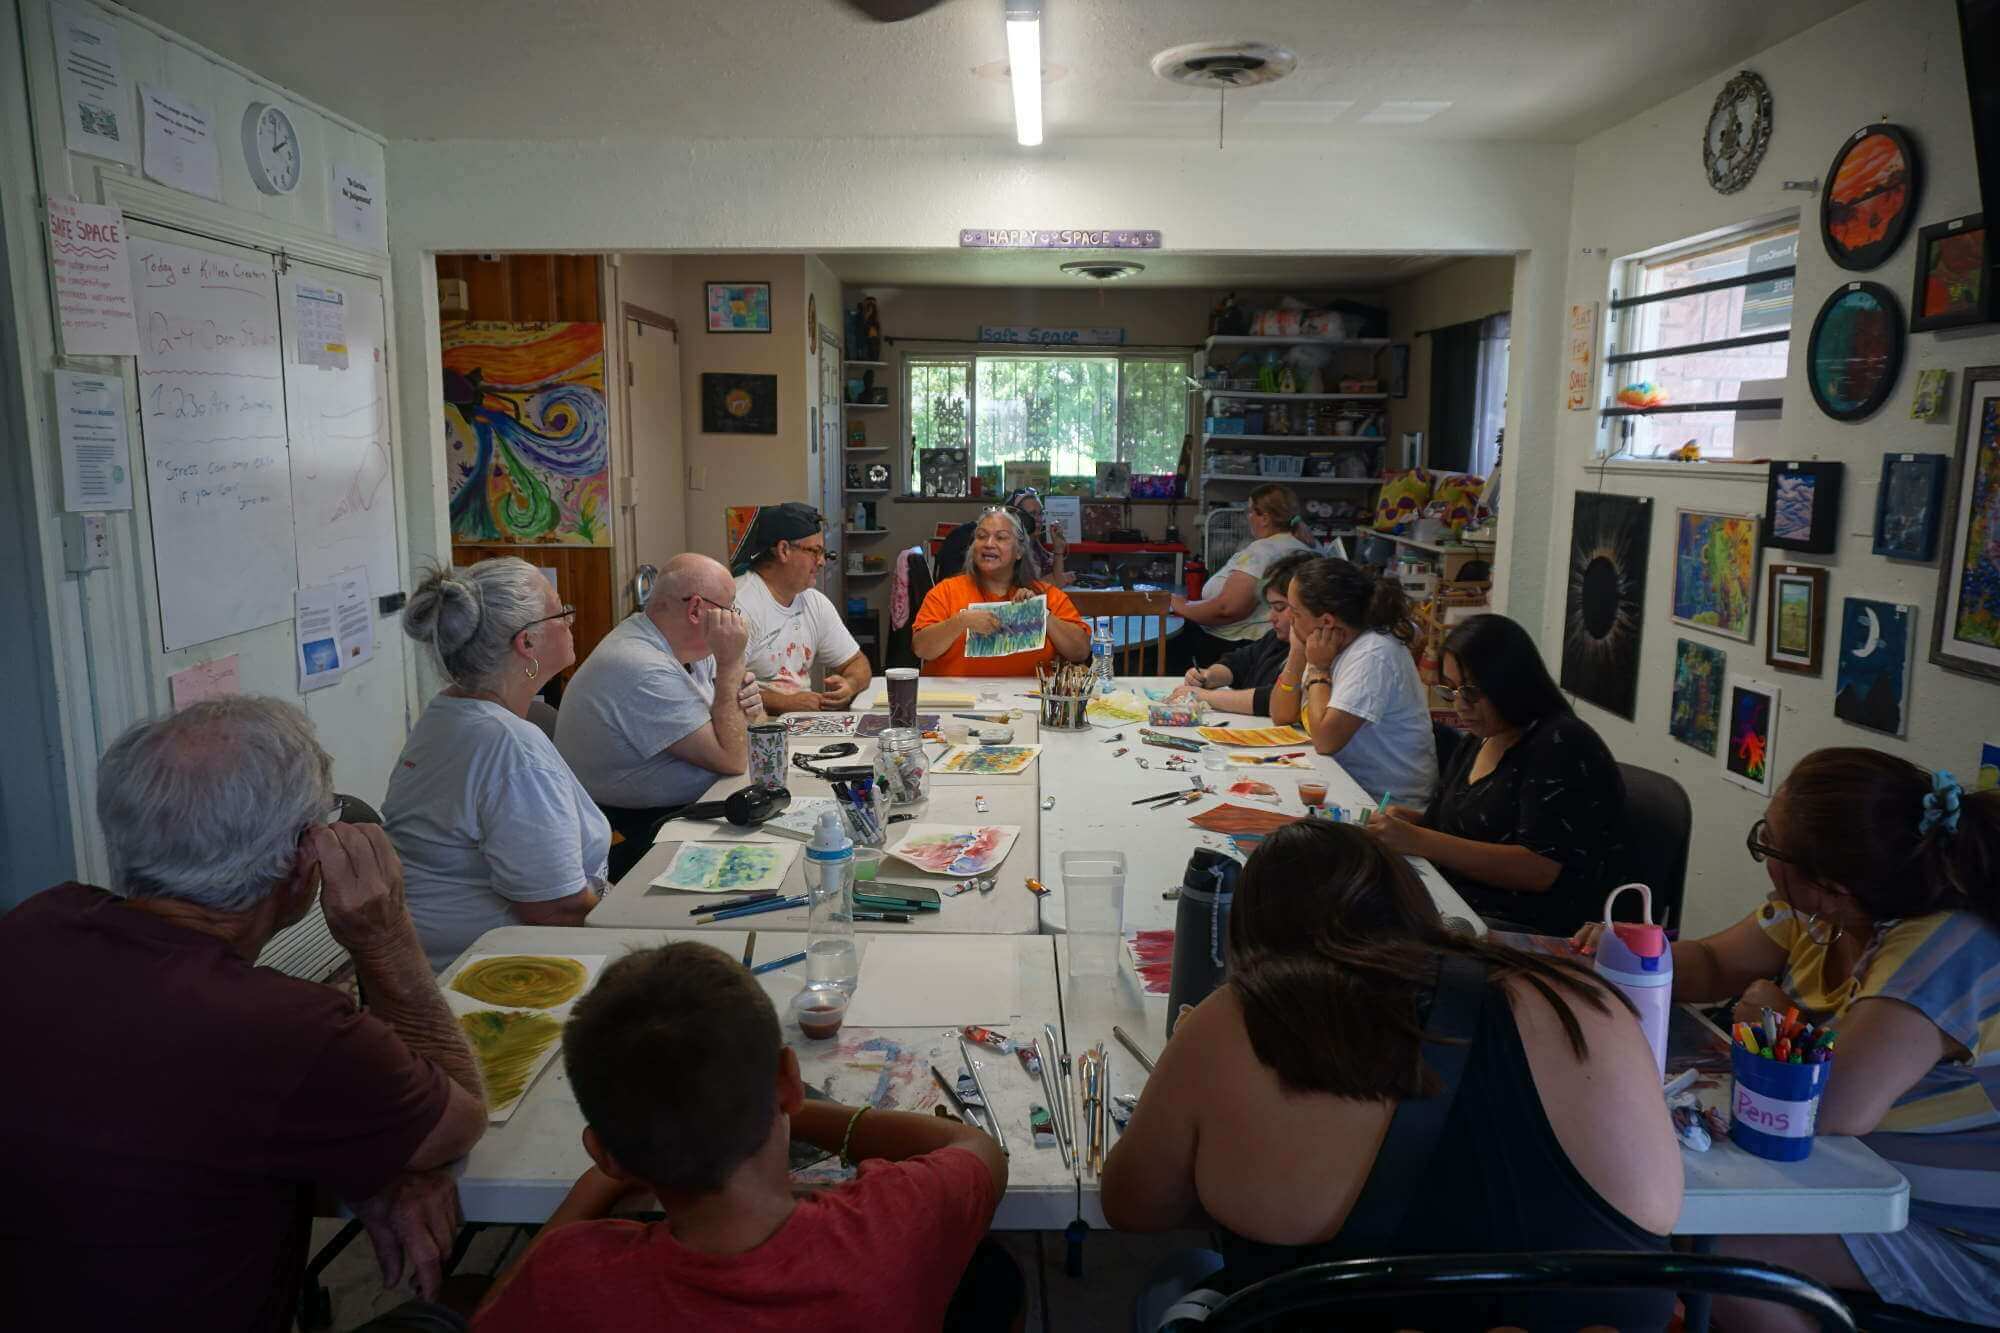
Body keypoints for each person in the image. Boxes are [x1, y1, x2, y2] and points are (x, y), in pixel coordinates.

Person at [0, 699, 488, 1331]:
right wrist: (386, 936)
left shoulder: (38, 921)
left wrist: (365, 1150)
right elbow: (456, 1120)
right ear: (299, 859)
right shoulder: (290, 1028)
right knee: (463, 1305)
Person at [1105, 821, 1681, 1332]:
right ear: (1415, 905)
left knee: (1174, 1288)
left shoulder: (1236, 1022)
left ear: (1251, 941)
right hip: (1601, 1317)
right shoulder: (1587, 1003)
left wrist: (1231, 1180)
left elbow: (1133, 1205)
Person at [1574, 749, 2000, 1330]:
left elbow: (1832, 1106)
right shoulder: (1821, 917)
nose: (1764, 858)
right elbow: (1709, 962)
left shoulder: (1946, 947)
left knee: (1718, 1249)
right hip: (1849, 1182)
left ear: (1831, 884)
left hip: (1959, 1239)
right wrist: (1629, 952)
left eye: (1767, 846)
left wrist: (1774, 1019)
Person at [471, 942, 1013, 1332]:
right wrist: (799, 1110)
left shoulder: (567, 1278)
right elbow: (977, 1149)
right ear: (790, 1080)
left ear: (606, 1152)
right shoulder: (893, 1223)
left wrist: (598, 1181)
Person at [385, 559, 610, 971]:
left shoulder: (446, 711)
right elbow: (556, 911)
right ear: (527, 643)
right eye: (562, 612)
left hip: (436, 961)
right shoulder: (510, 747)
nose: (570, 621)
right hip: (494, 972)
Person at [1365, 613, 1624, 935]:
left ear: (1509, 683)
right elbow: (1475, 828)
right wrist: (1415, 822)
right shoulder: (1484, 735)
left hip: (1522, 925)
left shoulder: (1561, 745)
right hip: (1461, 901)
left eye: (1470, 692)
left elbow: (1538, 868)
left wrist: (1421, 839)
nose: (1460, 705)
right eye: (1451, 691)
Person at [555, 553, 763, 830]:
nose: (735, 619)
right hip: (637, 825)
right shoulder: (638, 665)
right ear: (697, 610)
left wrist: (745, 708)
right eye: (730, 608)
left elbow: (757, 735)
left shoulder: (696, 647)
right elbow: (735, 759)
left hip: (697, 802)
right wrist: (732, 664)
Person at [1272, 557, 1436, 806]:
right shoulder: (1326, 643)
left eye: (1295, 613)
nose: (1291, 621)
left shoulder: (1373, 652)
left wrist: (1318, 669)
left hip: (1385, 804)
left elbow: (1326, 740)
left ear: (1326, 621)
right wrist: (1297, 652)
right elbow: (1282, 715)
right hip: (1343, 780)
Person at [729, 502, 873, 715]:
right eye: (814, 551)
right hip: (758, 729)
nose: (822, 561)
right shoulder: (740, 605)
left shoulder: (814, 602)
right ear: (784, 550)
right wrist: (785, 703)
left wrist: (849, 685)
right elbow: (720, 687)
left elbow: (857, 663)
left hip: (803, 724)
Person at [913, 506, 1090, 677]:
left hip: (1026, 701)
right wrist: (961, 621)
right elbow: (921, 649)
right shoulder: (946, 591)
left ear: (1019, 551)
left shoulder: (1047, 595)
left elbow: (1080, 652)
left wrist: (1041, 613)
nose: (988, 544)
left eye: (1001, 538)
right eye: (981, 536)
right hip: (956, 700)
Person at [1166, 483, 1314, 672]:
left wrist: (1179, 605)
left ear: (1265, 518)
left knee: (1167, 642)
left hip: (1236, 644)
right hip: (1262, 640)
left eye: (1251, 511)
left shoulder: (1263, 552)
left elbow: (1227, 609)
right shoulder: (1302, 545)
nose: (1248, 517)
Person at [1176, 551, 1315, 717]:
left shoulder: (1313, 653)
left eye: (1280, 608)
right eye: (1271, 608)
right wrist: (1210, 675)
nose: (1271, 617)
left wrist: (1205, 697)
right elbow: (1238, 661)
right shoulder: (1276, 639)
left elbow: (1270, 699)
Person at [933, 487, 1071, 588]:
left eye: (1041, 513)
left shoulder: (1033, 546)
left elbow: (1056, 582)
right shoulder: (1002, 549)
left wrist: (1058, 549)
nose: (1039, 519)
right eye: (1033, 514)